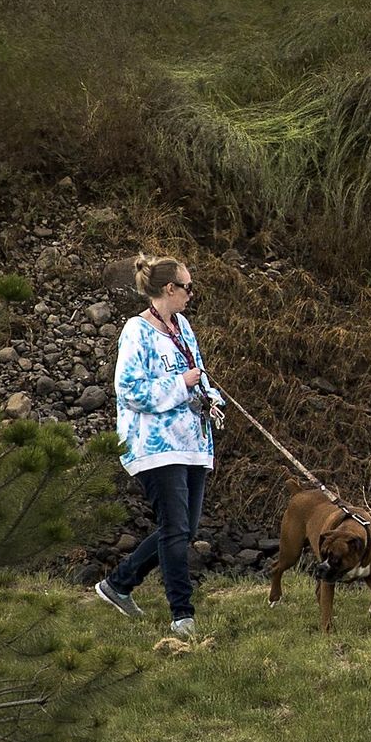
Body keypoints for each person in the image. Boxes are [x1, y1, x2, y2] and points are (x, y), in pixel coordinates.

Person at [94, 255, 224, 640]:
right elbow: (129, 391)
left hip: (193, 443)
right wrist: (181, 385)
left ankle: (118, 584)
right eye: (187, 287)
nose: (190, 294)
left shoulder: (182, 326)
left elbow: (198, 376)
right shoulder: (136, 331)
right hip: (155, 447)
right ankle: (182, 616)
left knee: (181, 529)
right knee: (176, 528)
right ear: (170, 289)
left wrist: (211, 397)